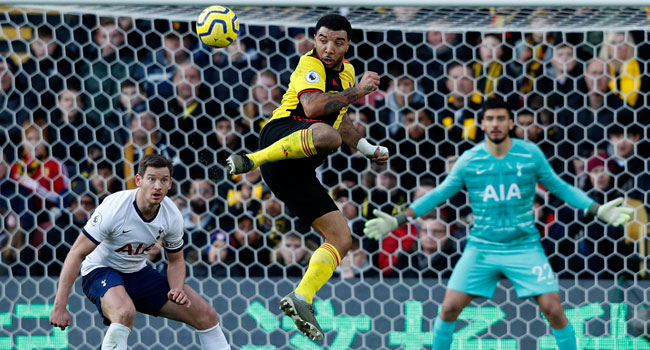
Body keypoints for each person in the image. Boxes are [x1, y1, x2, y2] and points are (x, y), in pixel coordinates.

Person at [364, 97, 634, 350]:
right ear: (482, 123)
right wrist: (399, 219)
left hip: (524, 246)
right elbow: (438, 194)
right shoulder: (470, 159)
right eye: (490, 118)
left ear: (510, 123)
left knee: (553, 309)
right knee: (448, 309)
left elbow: (561, 187)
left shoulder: (530, 154)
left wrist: (597, 209)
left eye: (501, 118)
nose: (495, 123)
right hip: (482, 247)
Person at [226, 13, 388, 341]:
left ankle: (302, 296)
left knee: (341, 238)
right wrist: (358, 92)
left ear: (347, 45)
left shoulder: (347, 72)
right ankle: (250, 160)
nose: (329, 47)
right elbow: (313, 108)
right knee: (325, 135)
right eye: (323, 39)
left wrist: (369, 149)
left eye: (338, 42)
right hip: (278, 137)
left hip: (298, 164)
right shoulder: (308, 64)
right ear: (314, 39)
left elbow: (340, 123)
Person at [48, 154, 230, 350]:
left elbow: (176, 261)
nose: (158, 186)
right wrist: (60, 305)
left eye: (164, 180)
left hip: (137, 273)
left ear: (170, 184)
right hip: (100, 270)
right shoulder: (115, 208)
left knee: (206, 315)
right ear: (138, 180)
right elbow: (76, 253)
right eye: (151, 179)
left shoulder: (172, 216)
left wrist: (176, 288)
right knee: (125, 313)